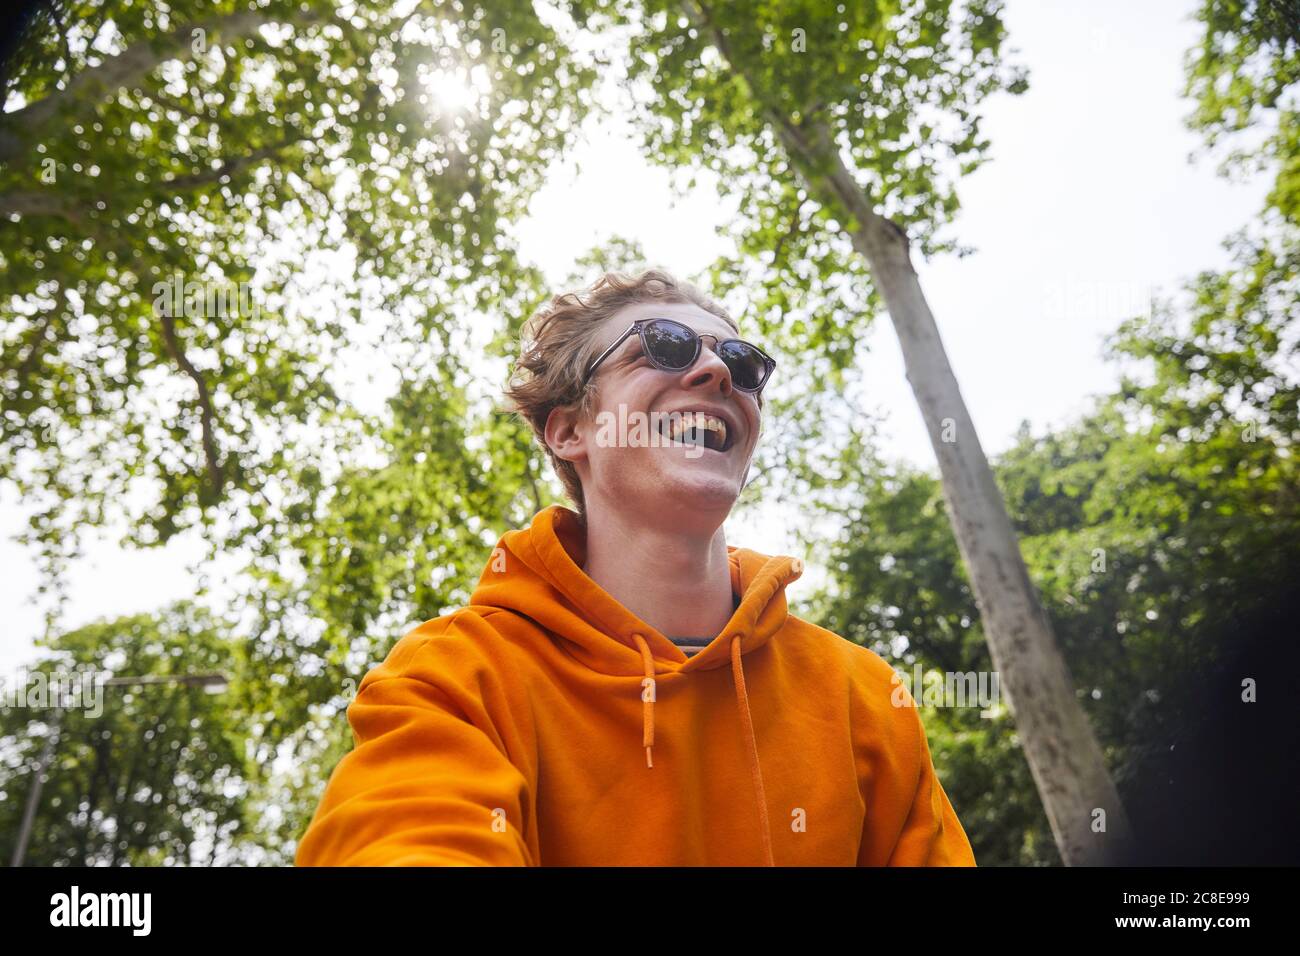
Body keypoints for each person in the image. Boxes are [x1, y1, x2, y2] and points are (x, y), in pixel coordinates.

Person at [295, 268, 976, 866]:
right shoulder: (458, 675)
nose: (716, 373)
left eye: (741, 363)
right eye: (665, 346)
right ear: (569, 430)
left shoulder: (862, 696)